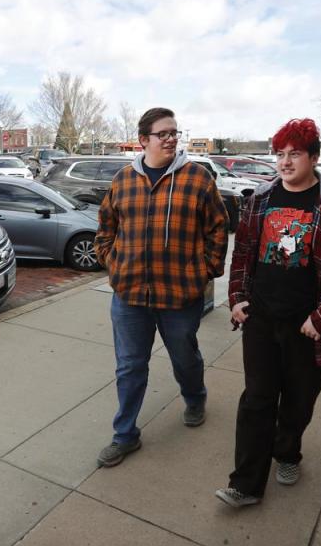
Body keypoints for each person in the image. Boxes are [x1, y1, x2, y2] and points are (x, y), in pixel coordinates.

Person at [216, 118, 321, 507]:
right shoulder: (260, 200)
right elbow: (244, 255)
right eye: (280, 154)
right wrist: (236, 298)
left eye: (294, 154)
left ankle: (287, 453)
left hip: (308, 326)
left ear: (313, 158)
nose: (285, 162)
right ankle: (245, 484)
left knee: (299, 401)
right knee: (257, 400)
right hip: (261, 319)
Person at [94, 107, 230, 468]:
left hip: (179, 295)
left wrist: (205, 271)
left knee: (185, 358)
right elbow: (106, 225)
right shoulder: (123, 180)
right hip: (130, 296)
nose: (171, 139)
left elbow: (218, 227)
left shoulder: (197, 179)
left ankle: (195, 396)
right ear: (143, 140)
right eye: (163, 134)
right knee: (129, 366)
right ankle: (125, 435)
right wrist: (112, 263)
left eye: (174, 133)